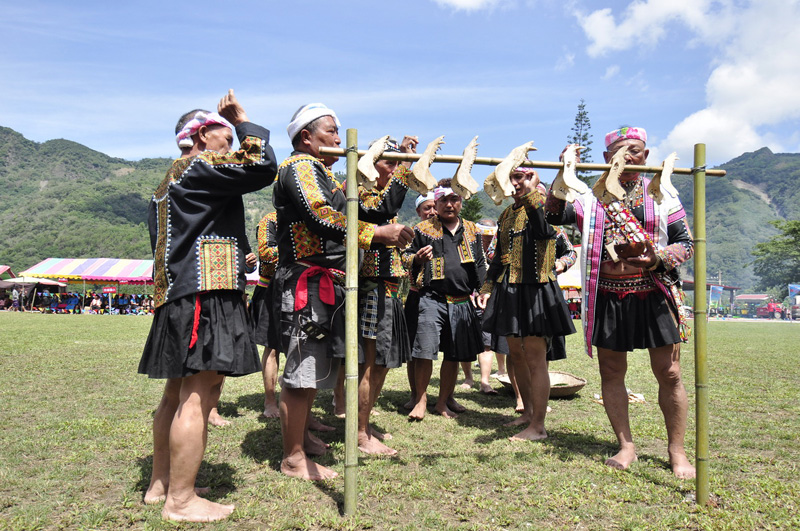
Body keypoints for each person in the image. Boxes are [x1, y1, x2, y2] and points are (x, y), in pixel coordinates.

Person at [137, 90, 278, 522]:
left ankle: (161, 484)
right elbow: (263, 167)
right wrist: (245, 120)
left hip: (179, 296)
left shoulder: (166, 184)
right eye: (225, 135)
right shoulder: (200, 166)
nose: (232, 143)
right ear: (200, 137)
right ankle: (181, 501)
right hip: (207, 293)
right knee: (200, 394)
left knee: (174, 395)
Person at [272, 103, 413, 480]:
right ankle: (293, 458)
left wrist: (400, 174)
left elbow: (368, 211)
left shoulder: (323, 174)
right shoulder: (299, 166)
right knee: (303, 370)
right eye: (332, 132)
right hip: (308, 279)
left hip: (326, 281)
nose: (338, 138)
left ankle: (302, 439)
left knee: (316, 366)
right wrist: (375, 235)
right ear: (307, 137)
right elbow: (321, 215)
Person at [545, 126, 695, 478]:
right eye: (622, 150)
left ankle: (677, 450)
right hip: (608, 295)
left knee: (670, 373)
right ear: (606, 158)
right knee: (611, 372)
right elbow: (552, 214)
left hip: (655, 292)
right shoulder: (590, 196)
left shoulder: (663, 193)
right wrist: (562, 170)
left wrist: (657, 259)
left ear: (647, 155)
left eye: (638, 150)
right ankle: (626, 445)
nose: (630, 155)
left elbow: (686, 243)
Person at [477, 167, 575, 441]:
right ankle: (528, 412)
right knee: (515, 353)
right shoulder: (506, 215)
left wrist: (560, 263)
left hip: (536, 289)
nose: (516, 183)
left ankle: (539, 426)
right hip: (509, 289)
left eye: (522, 177)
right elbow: (499, 256)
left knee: (534, 356)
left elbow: (545, 233)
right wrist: (487, 287)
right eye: (512, 178)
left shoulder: (545, 208)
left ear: (534, 181)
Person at [355, 135, 418, 455]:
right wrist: (407, 163)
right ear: (369, 165)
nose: (394, 170)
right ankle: (360, 433)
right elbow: (384, 209)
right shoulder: (362, 194)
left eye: (396, 164)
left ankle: (363, 423)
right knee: (371, 364)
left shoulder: (380, 196)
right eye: (388, 163)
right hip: (372, 288)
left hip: (389, 288)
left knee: (381, 364)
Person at [404, 180, 486, 420]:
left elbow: (480, 264)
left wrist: (483, 290)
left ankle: (442, 402)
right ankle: (420, 400)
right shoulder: (422, 229)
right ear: (436, 203)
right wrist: (417, 259)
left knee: (453, 353)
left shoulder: (472, 230)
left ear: (461, 201)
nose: (449, 205)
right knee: (424, 351)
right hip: (431, 298)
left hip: (461, 300)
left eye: (454, 199)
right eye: (444, 200)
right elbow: (405, 258)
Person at [402, 192, 436, 410]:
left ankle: (444, 397)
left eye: (434, 206)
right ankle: (415, 395)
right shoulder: (412, 233)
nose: (431, 211)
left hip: (441, 298)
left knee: (430, 351)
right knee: (415, 349)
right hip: (416, 295)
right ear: (418, 212)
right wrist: (417, 258)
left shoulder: (448, 231)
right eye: (426, 208)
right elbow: (403, 257)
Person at [250, 211, 281, 419]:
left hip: (300, 288)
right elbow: (266, 253)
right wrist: (296, 244)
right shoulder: (269, 220)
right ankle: (270, 401)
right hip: (270, 288)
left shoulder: (308, 217)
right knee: (272, 348)